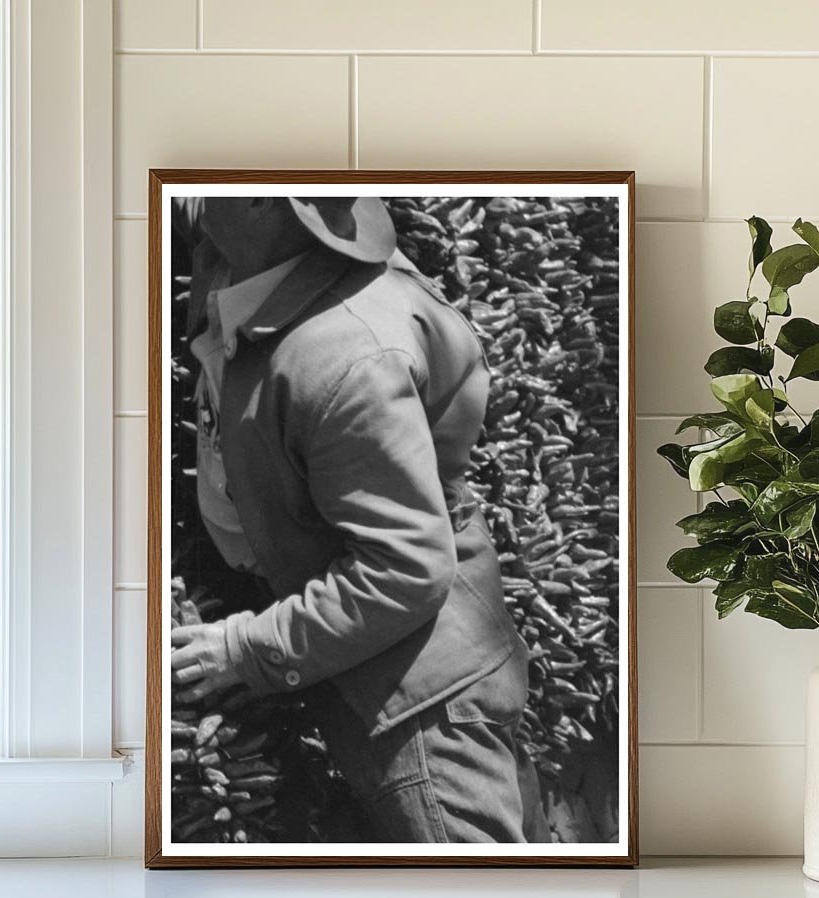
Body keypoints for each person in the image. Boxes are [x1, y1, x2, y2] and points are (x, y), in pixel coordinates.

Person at [170, 196, 550, 843]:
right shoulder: (251, 272)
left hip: (421, 706)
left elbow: (403, 569)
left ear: (271, 217)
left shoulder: (342, 356)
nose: (195, 198)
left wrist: (245, 650)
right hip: (414, 671)